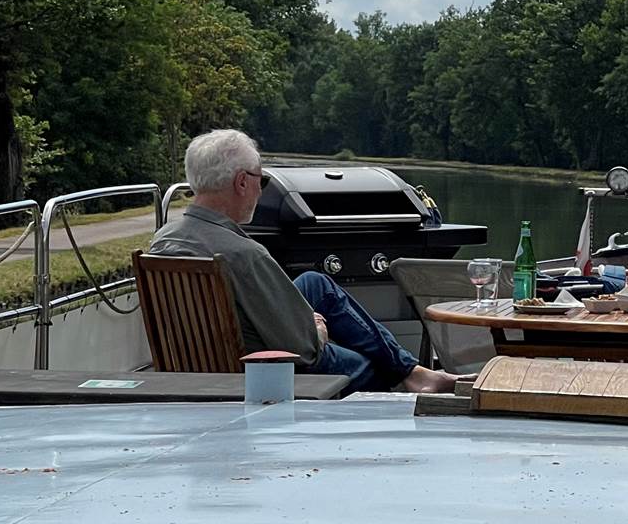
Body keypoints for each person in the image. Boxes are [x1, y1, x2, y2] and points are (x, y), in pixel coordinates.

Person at [149, 129, 458, 394]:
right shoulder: (244, 255)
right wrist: (317, 328)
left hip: (197, 368)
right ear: (242, 182)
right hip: (261, 372)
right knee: (370, 366)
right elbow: (305, 350)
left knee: (316, 283)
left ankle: (414, 373)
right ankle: (410, 374)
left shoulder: (162, 241)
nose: (260, 189)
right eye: (262, 180)